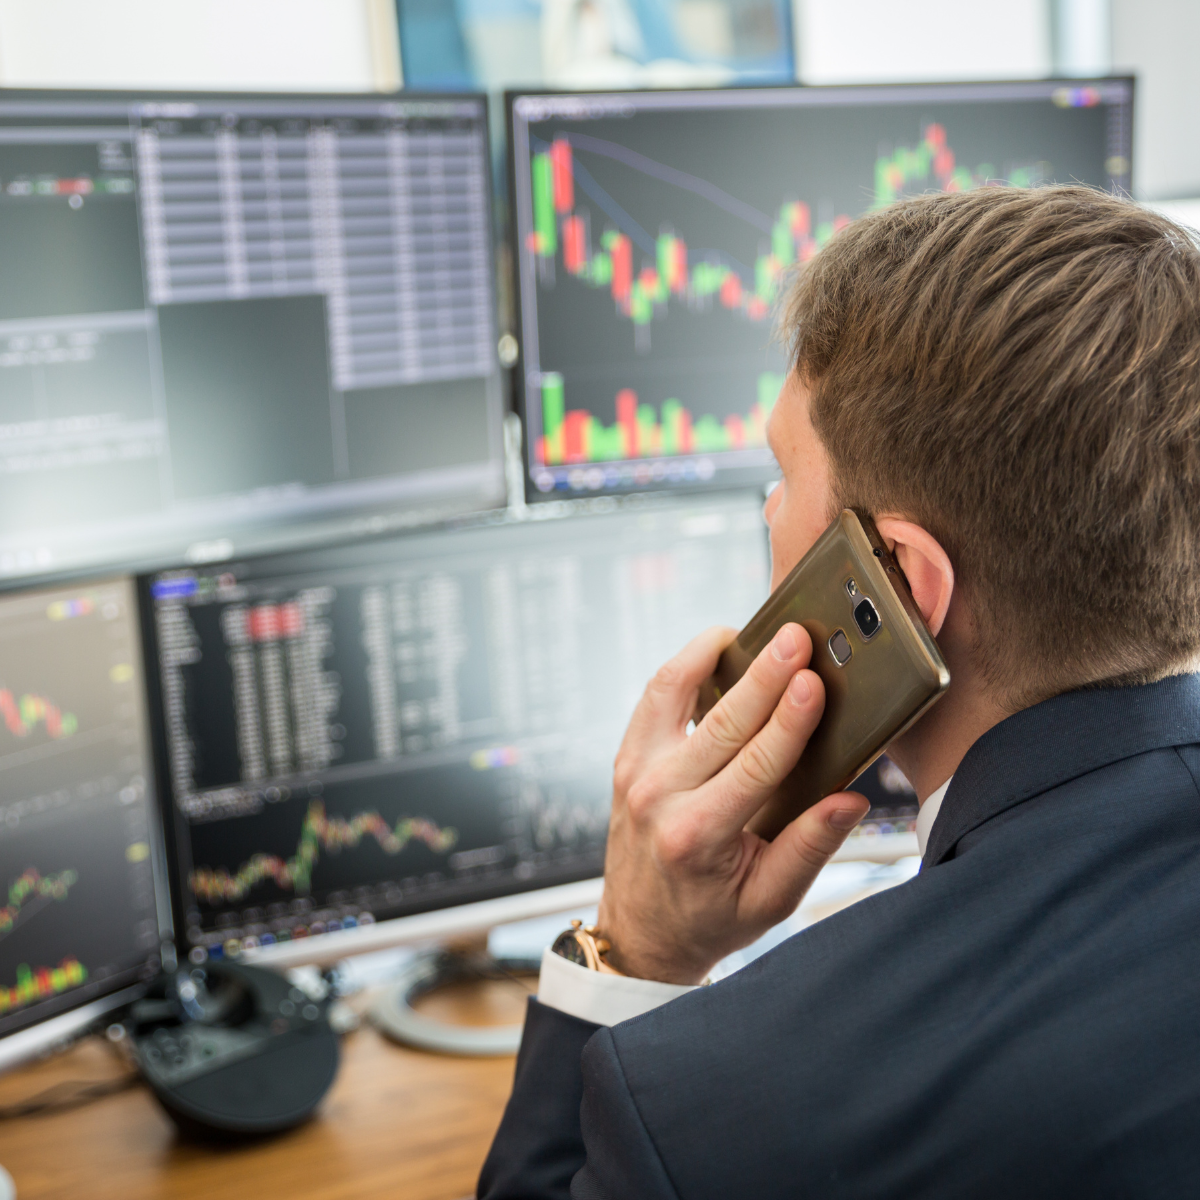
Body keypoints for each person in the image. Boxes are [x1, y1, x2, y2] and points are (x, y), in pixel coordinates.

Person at [479, 185, 1200, 1198]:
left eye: (784, 471)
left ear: (897, 582)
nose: (770, 511)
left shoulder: (722, 1103)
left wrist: (633, 948)